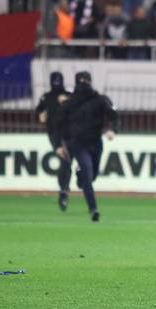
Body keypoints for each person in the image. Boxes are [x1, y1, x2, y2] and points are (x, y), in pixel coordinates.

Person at [57, 71, 118, 221]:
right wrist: (60, 142)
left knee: (92, 175)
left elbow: (113, 115)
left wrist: (112, 130)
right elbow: (58, 122)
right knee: (88, 176)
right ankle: (93, 209)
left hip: (96, 142)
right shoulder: (71, 102)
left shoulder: (99, 100)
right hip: (79, 143)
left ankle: (79, 175)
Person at [35, 72, 72, 210]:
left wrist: (68, 100)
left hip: (70, 133)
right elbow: (38, 111)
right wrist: (41, 115)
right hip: (54, 134)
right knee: (65, 161)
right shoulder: (46, 97)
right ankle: (64, 192)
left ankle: (64, 191)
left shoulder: (69, 95)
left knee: (66, 162)